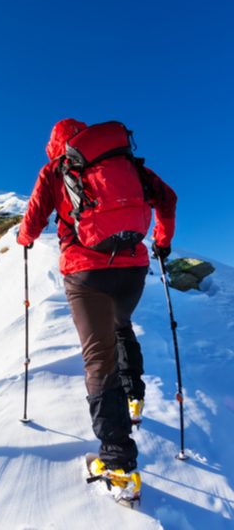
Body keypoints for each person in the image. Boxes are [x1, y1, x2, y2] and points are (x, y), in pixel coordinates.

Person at [17, 118, 177, 500]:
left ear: (56, 145)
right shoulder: (127, 164)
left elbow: (34, 220)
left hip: (85, 273)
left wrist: (23, 237)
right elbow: (167, 198)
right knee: (122, 326)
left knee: (98, 359)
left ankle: (118, 463)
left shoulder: (56, 169)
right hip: (133, 267)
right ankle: (133, 396)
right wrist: (163, 242)